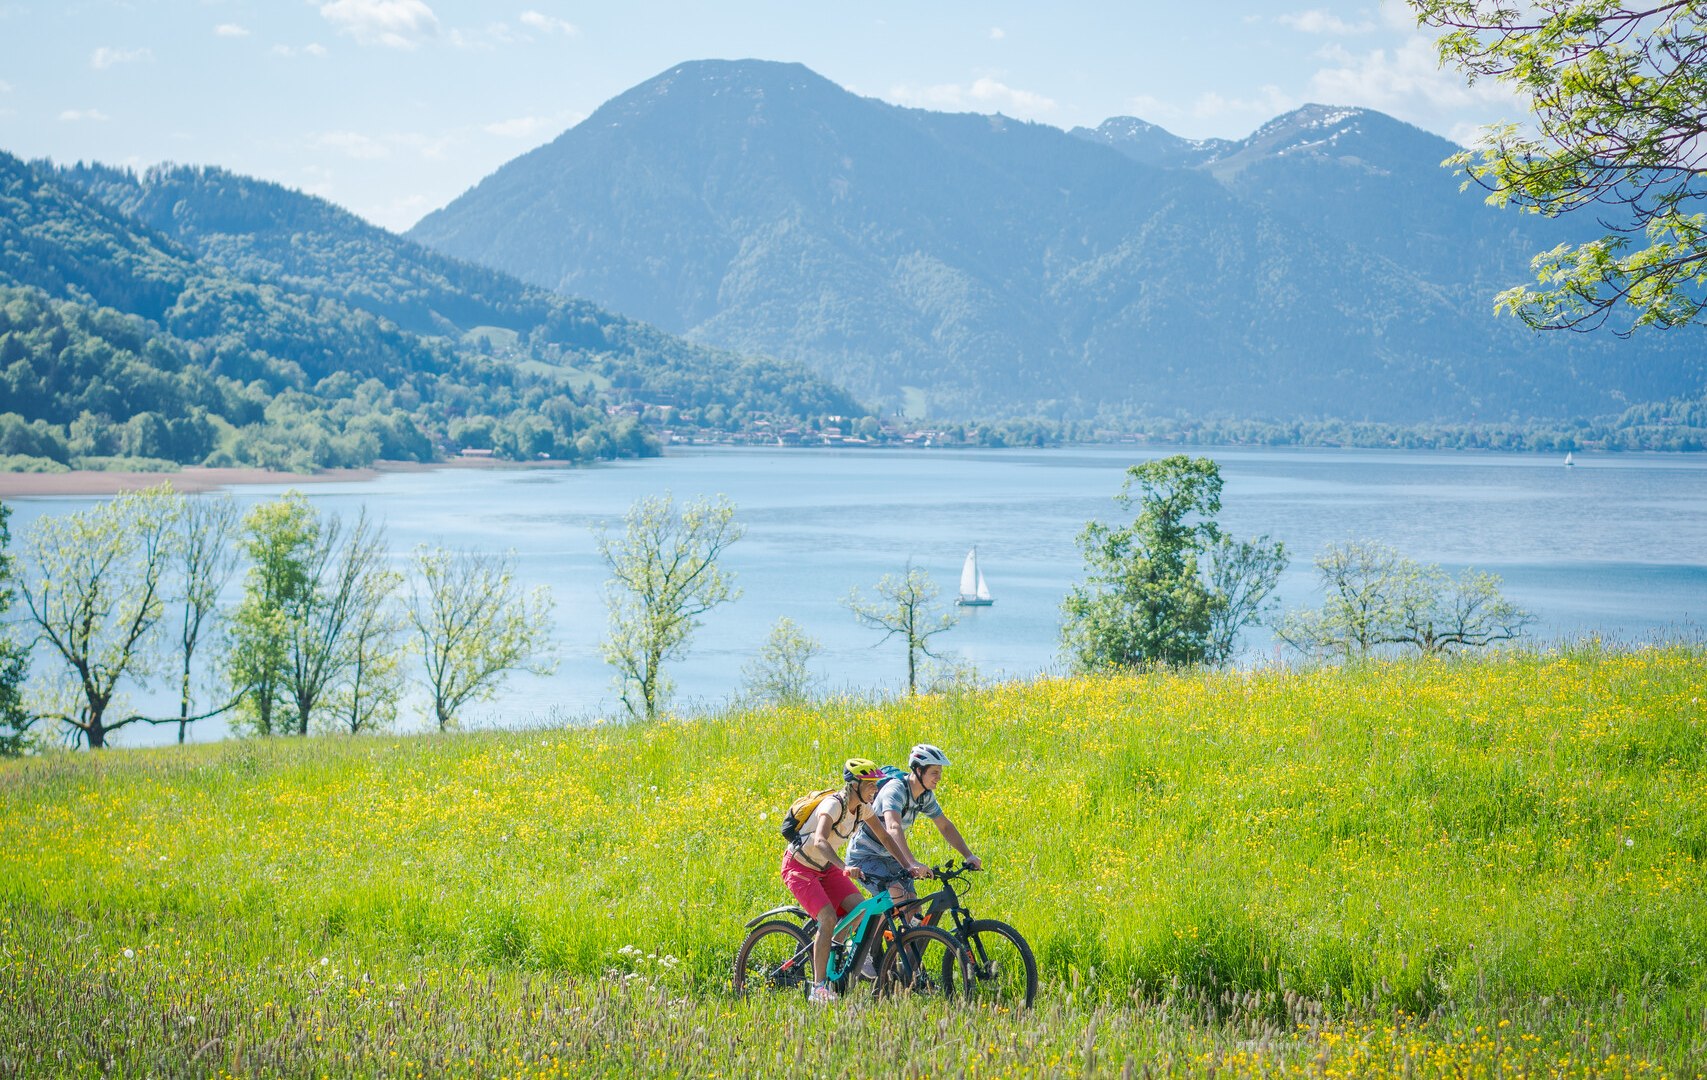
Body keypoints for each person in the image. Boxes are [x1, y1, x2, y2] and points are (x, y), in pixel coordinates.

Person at [782, 757, 927, 1003]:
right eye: (871, 784)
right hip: (800, 868)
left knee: (861, 909)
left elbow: (884, 836)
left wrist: (907, 865)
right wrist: (845, 866)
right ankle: (818, 988)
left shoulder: (862, 808)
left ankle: (834, 951)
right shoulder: (833, 805)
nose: (875, 789)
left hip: (826, 868)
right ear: (855, 784)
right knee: (827, 917)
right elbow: (819, 840)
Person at [845, 743, 982, 938]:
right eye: (934, 772)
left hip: (890, 855)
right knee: (898, 898)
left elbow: (945, 826)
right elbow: (893, 828)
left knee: (912, 907)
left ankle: (898, 962)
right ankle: (865, 951)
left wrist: (968, 855)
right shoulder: (895, 790)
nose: (939, 777)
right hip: (865, 856)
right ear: (918, 770)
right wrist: (911, 863)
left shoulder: (924, 796)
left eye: (940, 772)